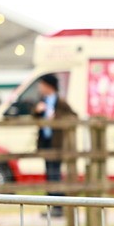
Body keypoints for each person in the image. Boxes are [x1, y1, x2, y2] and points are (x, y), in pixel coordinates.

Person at [32, 73, 76, 217]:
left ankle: (59, 207)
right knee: (49, 175)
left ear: (48, 86)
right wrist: (37, 111)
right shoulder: (42, 101)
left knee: (55, 174)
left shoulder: (60, 102)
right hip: (46, 143)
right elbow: (35, 117)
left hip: (57, 144)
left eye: (42, 85)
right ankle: (52, 205)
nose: (40, 88)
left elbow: (73, 116)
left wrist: (56, 117)